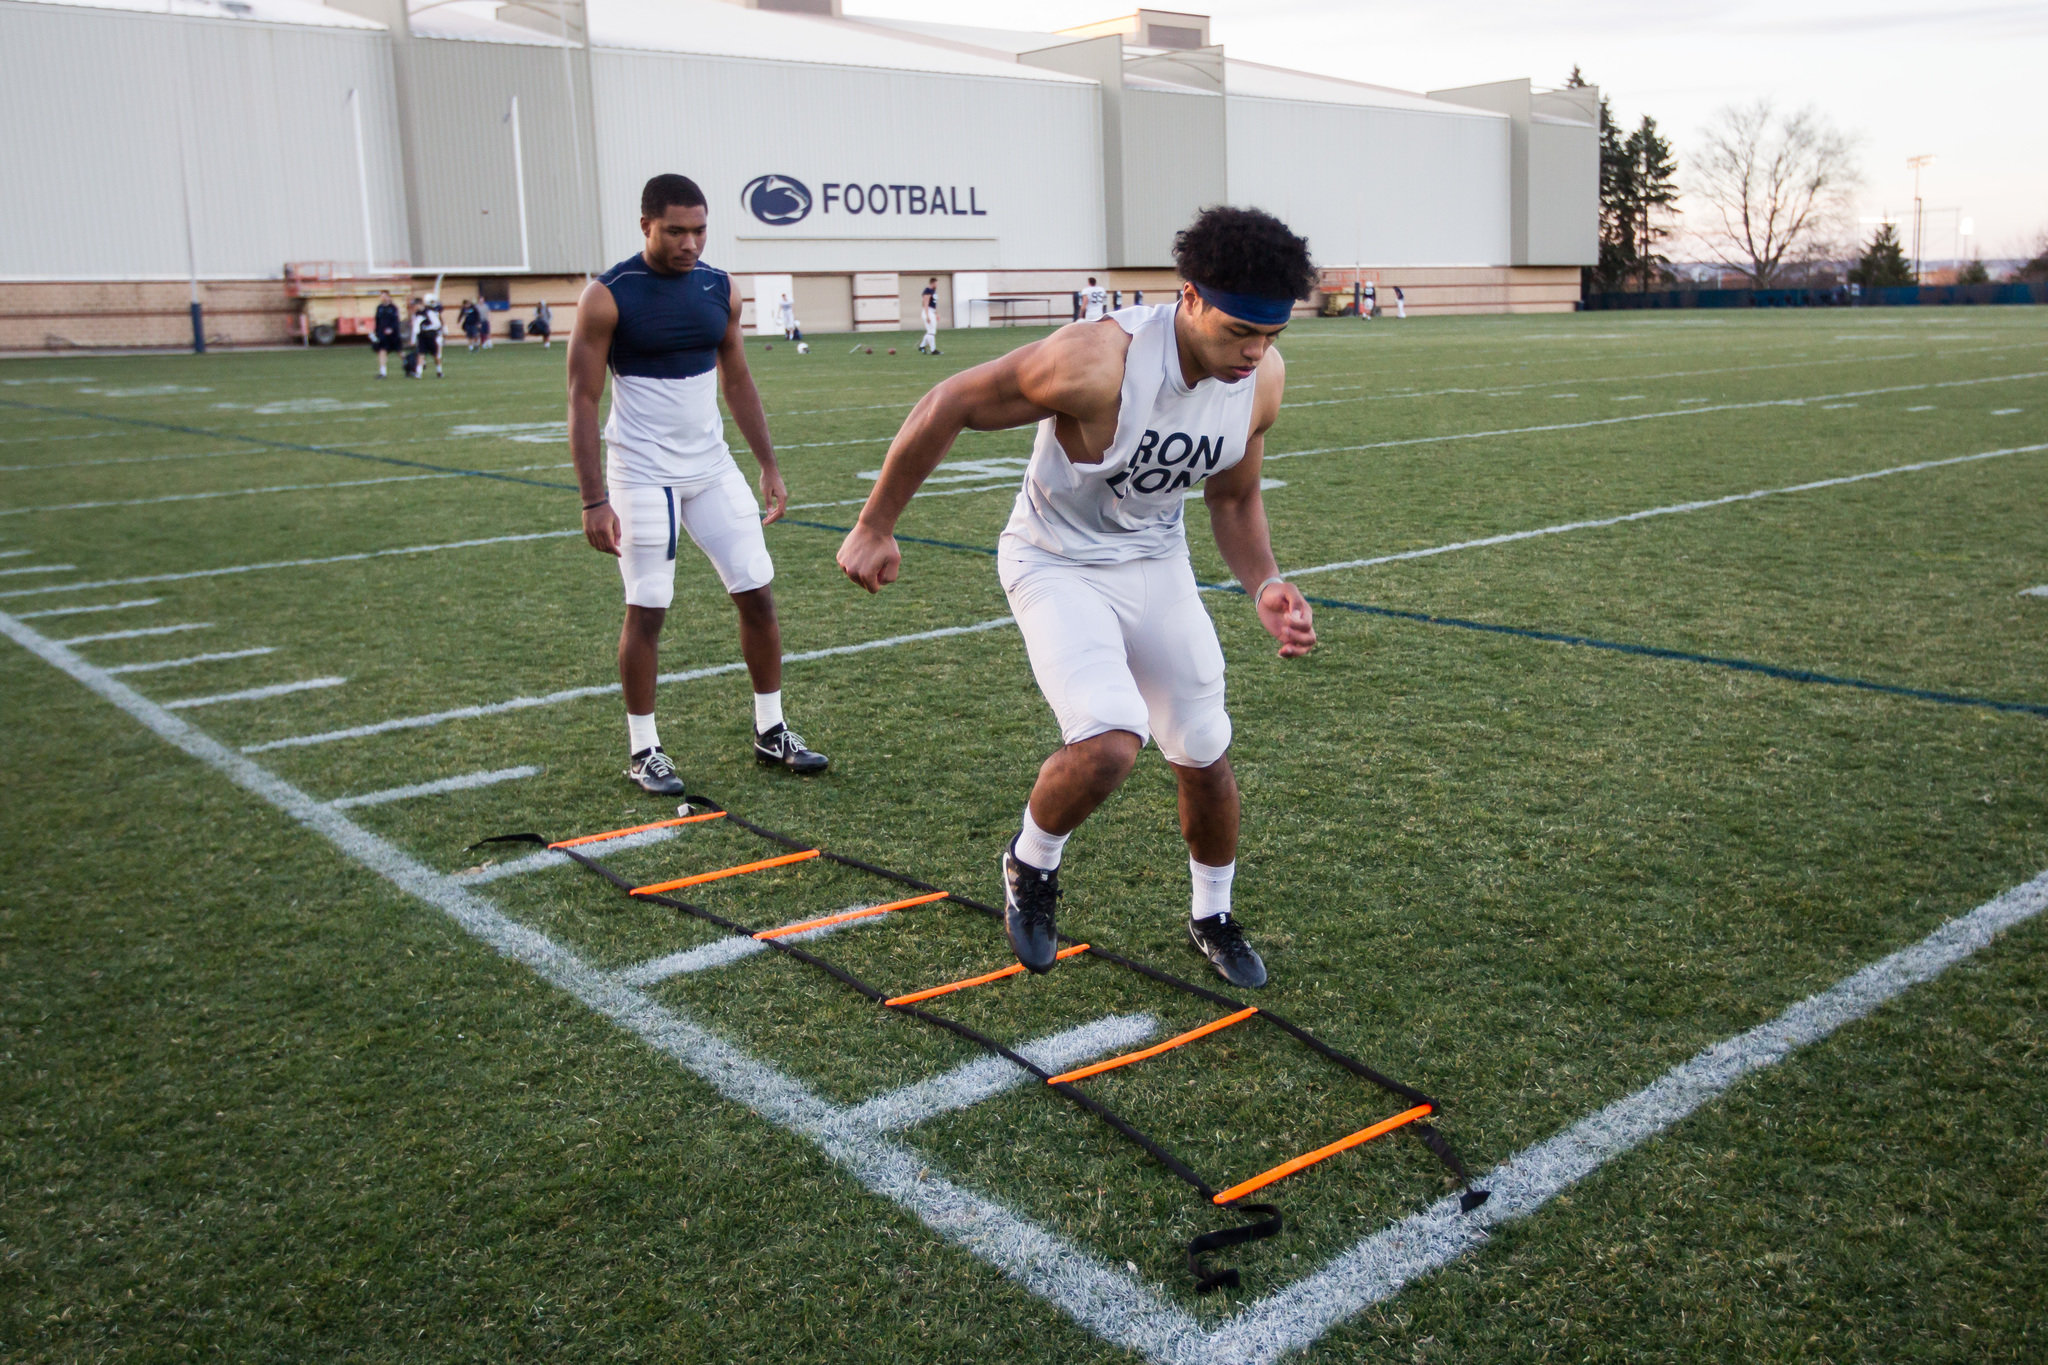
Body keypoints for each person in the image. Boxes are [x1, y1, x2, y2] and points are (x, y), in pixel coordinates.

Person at [836, 206, 1318, 989]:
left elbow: (1233, 498)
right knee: (1110, 739)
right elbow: (951, 400)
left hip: (1153, 560)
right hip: (1054, 559)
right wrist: (874, 523)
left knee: (1203, 747)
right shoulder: (1097, 361)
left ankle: (1211, 914)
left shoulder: (1260, 377)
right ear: (1188, 297)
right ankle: (1031, 863)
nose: (1256, 351)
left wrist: (1263, 581)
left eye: (1273, 335)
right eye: (1239, 330)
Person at [569, 172, 828, 794]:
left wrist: (767, 463)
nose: (690, 243)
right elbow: (582, 398)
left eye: (700, 230)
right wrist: (593, 499)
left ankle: (772, 731)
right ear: (646, 226)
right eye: (676, 231)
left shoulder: (720, 287)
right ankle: (643, 749)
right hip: (641, 472)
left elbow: (737, 379)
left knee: (758, 593)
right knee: (649, 606)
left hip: (711, 469)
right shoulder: (609, 295)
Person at [371, 290, 403, 378]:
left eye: (384, 296)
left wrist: (391, 329)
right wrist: (376, 332)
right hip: (382, 334)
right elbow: (377, 321)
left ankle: (409, 366)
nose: (383, 298)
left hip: (393, 335)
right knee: (382, 351)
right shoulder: (379, 308)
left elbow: (396, 321)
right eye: (381, 296)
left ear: (389, 297)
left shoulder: (393, 308)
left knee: (399, 352)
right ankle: (383, 373)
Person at [410, 295, 445, 378]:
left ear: (420, 304)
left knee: (435, 356)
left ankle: (439, 371)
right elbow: (415, 327)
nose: (414, 307)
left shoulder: (429, 312)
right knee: (421, 354)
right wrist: (413, 339)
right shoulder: (416, 314)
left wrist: (427, 328)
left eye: (415, 305)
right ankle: (419, 373)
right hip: (421, 337)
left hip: (430, 337)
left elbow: (437, 324)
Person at [917, 277, 941, 355]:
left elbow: (934, 304)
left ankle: (922, 346)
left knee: (930, 331)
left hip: (932, 312)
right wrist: (927, 316)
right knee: (931, 332)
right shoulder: (927, 291)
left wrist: (936, 314)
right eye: (936, 283)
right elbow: (925, 304)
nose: (937, 285)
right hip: (928, 312)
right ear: (932, 283)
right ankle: (933, 350)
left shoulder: (933, 291)